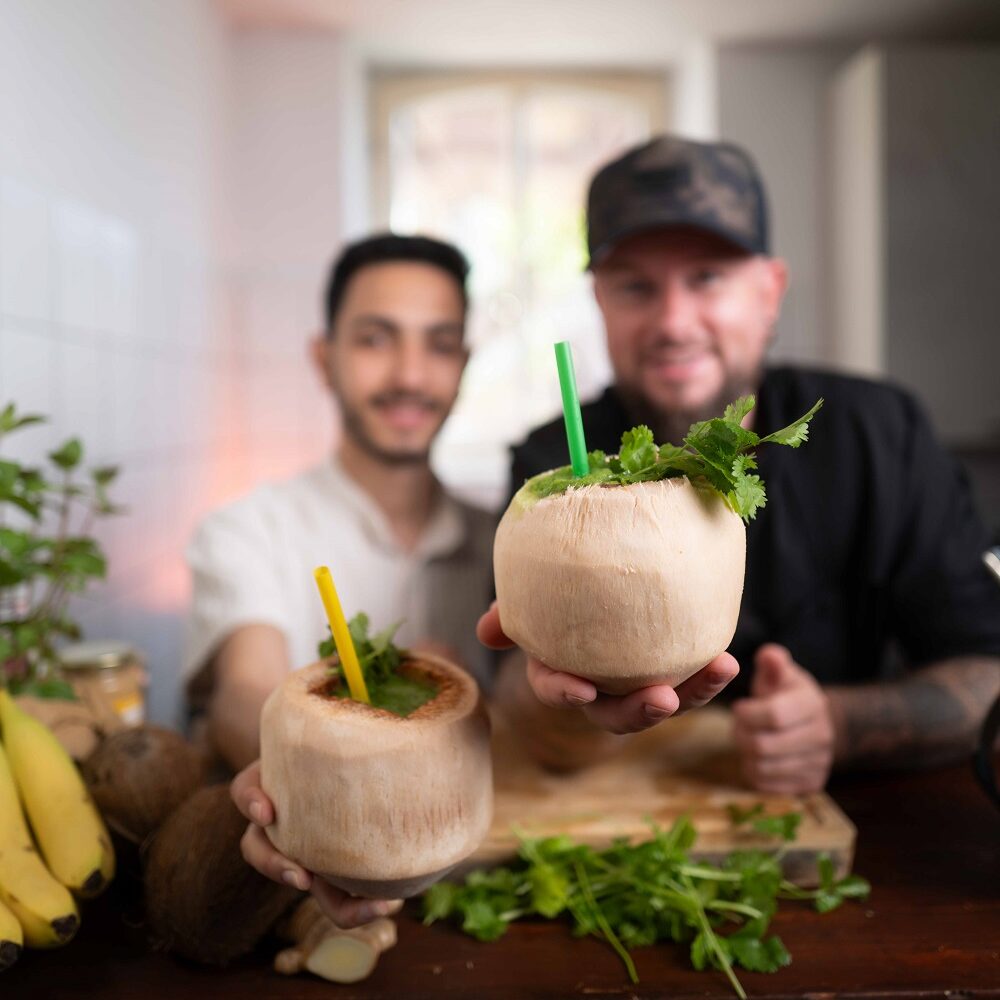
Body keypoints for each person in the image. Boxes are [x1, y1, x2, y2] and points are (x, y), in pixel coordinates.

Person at [487, 134, 1000, 793]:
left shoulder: (878, 432)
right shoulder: (554, 464)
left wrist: (839, 726)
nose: (673, 321)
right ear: (600, 303)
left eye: (707, 278)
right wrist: (559, 703)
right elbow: (519, 702)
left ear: (769, 292)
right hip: (619, 810)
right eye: (635, 286)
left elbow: (988, 665)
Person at [184, 233, 495, 777]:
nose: (410, 376)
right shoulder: (246, 532)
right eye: (376, 340)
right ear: (324, 360)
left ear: (463, 365)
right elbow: (245, 694)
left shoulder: (502, 542)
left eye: (440, 345)